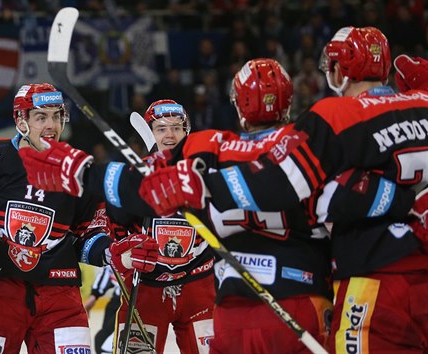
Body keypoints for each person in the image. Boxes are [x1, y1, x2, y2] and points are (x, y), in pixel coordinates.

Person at [18, 57, 418, 353]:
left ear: (239, 106)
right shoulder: (312, 146)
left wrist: (90, 172)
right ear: (288, 104)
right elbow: (369, 199)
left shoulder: (210, 147)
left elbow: (141, 194)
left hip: (230, 311)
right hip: (303, 305)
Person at [137, 26, 428, 352]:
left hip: (357, 278)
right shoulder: (421, 101)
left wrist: (193, 182)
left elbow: (279, 183)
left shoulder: (209, 146)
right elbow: (340, 199)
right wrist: (404, 196)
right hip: (315, 296)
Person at [0, 83, 158, 354]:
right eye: (41, 117)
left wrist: (112, 254)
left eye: (57, 116)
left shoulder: (77, 167)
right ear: (21, 120)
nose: (52, 125)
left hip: (60, 295)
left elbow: (87, 236)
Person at [107, 100, 215, 354]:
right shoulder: (134, 174)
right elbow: (115, 225)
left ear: (187, 132)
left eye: (177, 127)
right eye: (162, 128)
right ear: (150, 133)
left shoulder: (206, 172)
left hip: (198, 287)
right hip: (147, 287)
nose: (170, 134)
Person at [83, 265, 121, 354]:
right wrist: (94, 296)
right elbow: (110, 268)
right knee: (102, 341)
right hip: (118, 303)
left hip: (131, 303)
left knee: (104, 343)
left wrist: (94, 295)